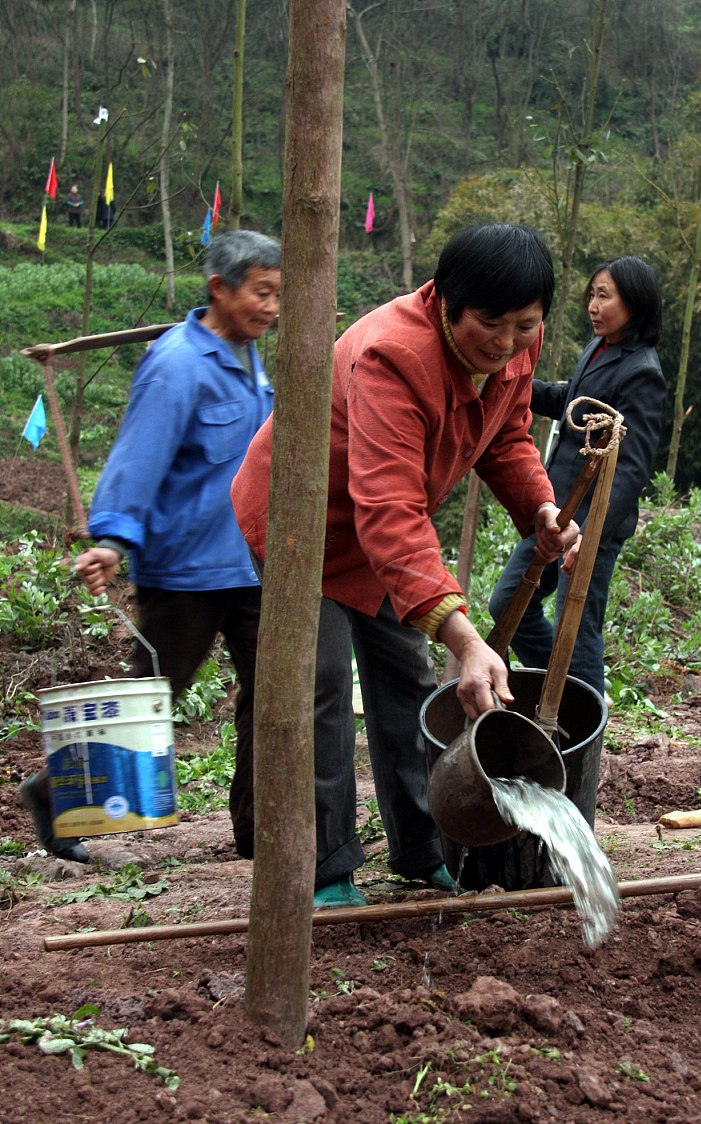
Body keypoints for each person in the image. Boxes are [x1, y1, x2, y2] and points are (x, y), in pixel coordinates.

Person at [231, 223, 580, 908]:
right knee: (321, 685)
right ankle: (324, 868)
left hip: (385, 539)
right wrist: (466, 636)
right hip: (306, 524)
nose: (507, 342)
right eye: (491, 323)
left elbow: (505, 436)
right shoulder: (390, 354)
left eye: (525, 325)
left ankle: (421, 850)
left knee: (406, 681)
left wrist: (538, 506)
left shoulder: (515, 343)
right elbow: (387, 507)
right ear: (446, 302)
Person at [21, 229, 282, 864]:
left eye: (278, 295)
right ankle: (53, 794)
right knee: (154, 696)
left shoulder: (250, 357)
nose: (272, 308)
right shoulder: (175, 365)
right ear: (220, 289)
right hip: (187, 567)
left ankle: (257, 833)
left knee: (272, 697)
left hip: (250, 561)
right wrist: (112, 539)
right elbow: (139, 457)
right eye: (261, 293)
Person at [489, 254, 666, 698]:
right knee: (510, 603)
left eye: (604, 296)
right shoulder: (598, 347)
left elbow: (632, 465)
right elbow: (574, 400)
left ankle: (582, 726)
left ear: (635, 303)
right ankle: (572, 696)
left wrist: (589, 533)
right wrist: (514, 384)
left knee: (578, 622)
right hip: (555, 509)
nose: (593, 304)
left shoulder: (642, 371)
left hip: (590, 523)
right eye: (592, 294)